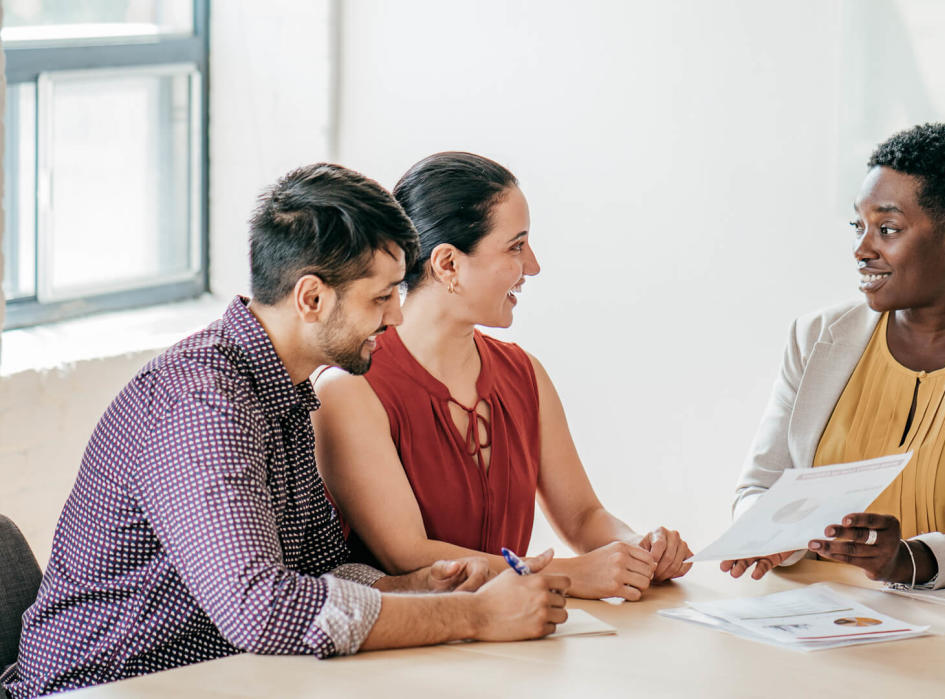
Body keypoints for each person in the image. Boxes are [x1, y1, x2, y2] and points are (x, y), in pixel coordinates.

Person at [5, 164, 568, 698]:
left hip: (218, 679)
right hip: (106, 686)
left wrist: (422, 587)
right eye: (380, 297)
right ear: (312, 298)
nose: (396, 317)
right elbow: (261, 609)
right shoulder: (202, 402)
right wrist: (476, 616)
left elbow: (323, 567)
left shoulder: (284, 392)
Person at [723, 124, 945, 594]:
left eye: (888, 229)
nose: (862, 249)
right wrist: (774, 537)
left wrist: (906, 560)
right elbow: (758, 488)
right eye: (860, 226)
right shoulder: (815, 337)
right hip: (832, 615)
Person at [313, 152, 692, 601]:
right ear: (448, 264)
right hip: (399, 651)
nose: (532, 266)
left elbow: (584, 517)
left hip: (514, 636)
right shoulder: (350, 388)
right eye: (516, 246)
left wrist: (636, 549)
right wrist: (569, 576)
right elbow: (406, 554)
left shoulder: (525, 373)